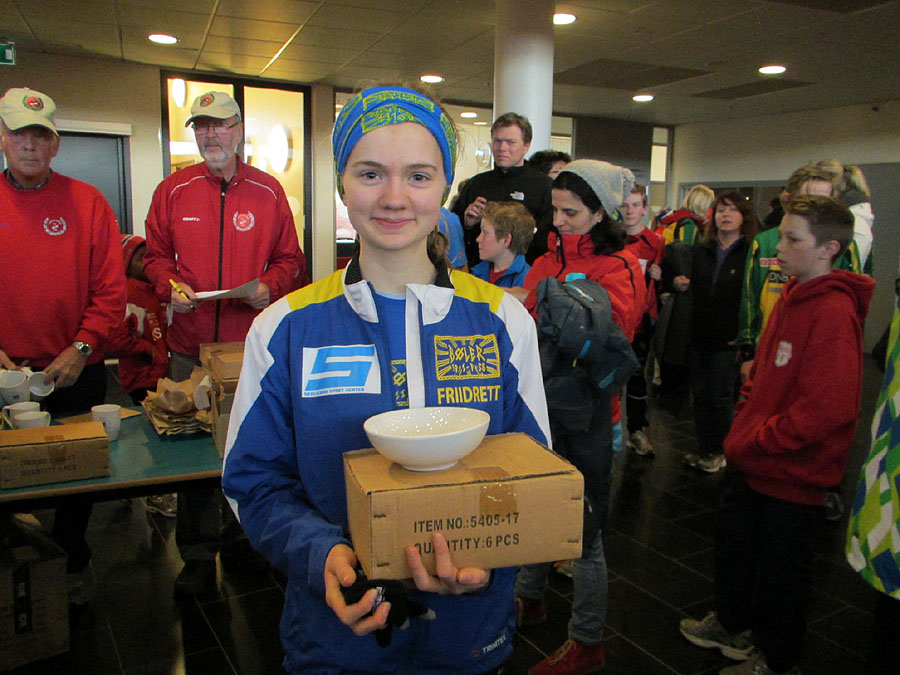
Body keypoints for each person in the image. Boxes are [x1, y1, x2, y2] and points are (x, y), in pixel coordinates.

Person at [221, 85, 551, 674]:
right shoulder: (286, 327)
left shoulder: (502, 320)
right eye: (370, 174)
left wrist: (489, 556)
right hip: (338, 637)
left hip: (468, 634)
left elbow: (532, 469)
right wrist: (320, 553)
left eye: (418, 176)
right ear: (342, 184)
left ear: (444, 187)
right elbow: (253, 480)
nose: (395, 198)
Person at [680, 195, 874, 675]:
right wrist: (745, 420)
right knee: (738, 552)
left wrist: (757, 438)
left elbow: (827, 409)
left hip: (790, 472)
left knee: (782, 575)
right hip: (756, 460)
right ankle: (734, 625)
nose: (778, 248)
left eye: (792, 239)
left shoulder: (833, 312)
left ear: (829, 249)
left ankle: (775, 658)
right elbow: (762, 375)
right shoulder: (791, 296)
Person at [143, 90, 302, 595]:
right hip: (189, 347)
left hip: (247, 350)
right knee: (193, 453)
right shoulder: (172, 190)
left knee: (249, 446)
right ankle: (195, 553)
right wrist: (168, 285)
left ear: (238, 130)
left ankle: (243, 540)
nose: (211, 134)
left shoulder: (269, 192)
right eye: (202, 126)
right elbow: (153, 257)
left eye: (220, 124)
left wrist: (270, 286)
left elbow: (291, 260)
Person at [513, 159, 645, 675]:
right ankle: (530, 596)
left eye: (571, 212)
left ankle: (587, 640)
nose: (559, 220)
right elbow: (535, 323)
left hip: (589, 416)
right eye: (556, 210)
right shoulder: (547, 260)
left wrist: (538, 305)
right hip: (541, 405)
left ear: (600, 213)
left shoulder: (621, 268)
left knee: (583, 533)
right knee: (535, 509)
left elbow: (606, 337)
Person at [0, 87, 127, 602]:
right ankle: (17, 569)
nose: (29, 145)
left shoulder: (87, 202)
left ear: (55, 144)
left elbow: (111, 292)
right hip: (7, 375)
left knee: (78, 478)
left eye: (40, 136)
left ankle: (71, 565)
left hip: (77, 369)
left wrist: (82, 347)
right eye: (19, 134)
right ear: (2, 138)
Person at [676, 191, 758, 474]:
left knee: (721, 396)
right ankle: (706, 448)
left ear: (744, 217)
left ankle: (723, 451)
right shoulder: (702, 249)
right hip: (699, 333)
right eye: (722, 210)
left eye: (733, 210)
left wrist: (746, 340)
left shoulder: (750, 252)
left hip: (729, 337)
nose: (726, 215)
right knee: (700, 395)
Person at [107, 233, 175, 518]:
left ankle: (149, 484)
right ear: (126, 262)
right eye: (139, 258)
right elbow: (116, 338)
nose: (146, 262)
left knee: (158, 431)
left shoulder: (154, 289)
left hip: (159, 373)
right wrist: (148, 352)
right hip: (142, 375)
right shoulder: (126, 292)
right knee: (152, 435)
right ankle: (153, 490)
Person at [451, 112, 553, 265]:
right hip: (477, 270)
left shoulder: (543, 187)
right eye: (497, 141)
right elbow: (454, 235)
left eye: (510, 142)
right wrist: (468, 224)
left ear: (526, 146)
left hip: (525, 271)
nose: (502, 148)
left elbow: (546, 241)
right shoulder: (476, 184)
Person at [622, 184, 665, 457]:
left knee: (637, 376)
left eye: (635, 205)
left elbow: (663, 282)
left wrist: (662, 278)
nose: (630, 211)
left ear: (645, 209)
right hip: (616, 316)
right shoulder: (611, 239)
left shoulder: (656, 242)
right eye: (625, 205)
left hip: (642, 318)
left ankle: (636, 429)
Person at [471, 201, 534, 287]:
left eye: (485, 233)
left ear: (506, 240)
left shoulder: (527, 282)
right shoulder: (477, 272)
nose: (478, 239)